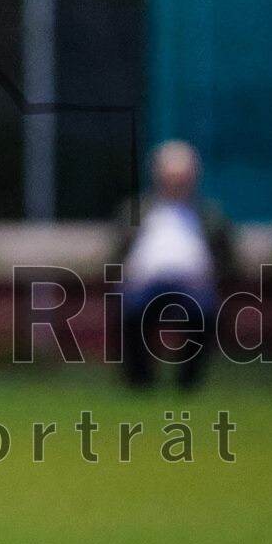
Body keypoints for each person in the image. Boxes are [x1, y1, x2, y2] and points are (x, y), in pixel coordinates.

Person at [112, 140, 233, 389]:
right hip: (144, 283)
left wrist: (213, 273)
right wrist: (125, 272)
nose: (176, 183)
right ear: (158, 177)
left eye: (182, 177)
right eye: (170, 176)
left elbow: (226, 257)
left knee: (203, 306)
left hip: (193, 284)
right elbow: (117, 253)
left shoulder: (209, 214)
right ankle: (139, 380)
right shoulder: (136, 210)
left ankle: (187, 382)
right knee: (130, 304)